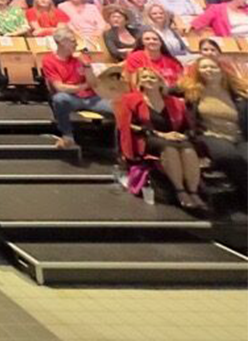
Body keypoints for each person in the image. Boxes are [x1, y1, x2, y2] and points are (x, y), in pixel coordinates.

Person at [116, 67, 203, 212]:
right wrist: (160, 134)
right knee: (169, 148)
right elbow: (128, 125)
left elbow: (187, 126)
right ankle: (180, 190)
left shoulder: (175, 102)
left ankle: (193, 191)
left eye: (152, 77)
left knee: (188, 149)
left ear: (160, 82)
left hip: (174, 137)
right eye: (144, 77)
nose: (148, 80)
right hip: (146, 138)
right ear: (140, 82)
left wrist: (183, 135)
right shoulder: (130, 100)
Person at [182, 56, 248, 204]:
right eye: (204, 67)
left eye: (213, 67)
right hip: (209, 135)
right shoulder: (192, 92)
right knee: (229, 156)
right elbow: (163, 89)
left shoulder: (237, 93)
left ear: (222, 70)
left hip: (238, 136)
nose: (208, 70)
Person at [41, 27, 111, 150]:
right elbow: (60, 87)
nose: (76, 44)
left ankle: (119, 145)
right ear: (62, 42)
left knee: (119, 106)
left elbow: (93, 83)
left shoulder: (82, 58)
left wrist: (86, 65)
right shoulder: (49, 60)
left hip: (91, 97)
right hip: (71, 97)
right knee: (59, 99)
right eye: (73, 41)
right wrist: (83, 86)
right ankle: (67, 136)